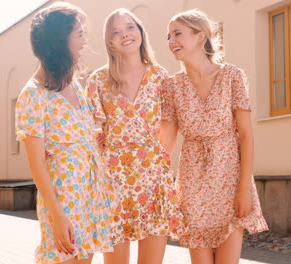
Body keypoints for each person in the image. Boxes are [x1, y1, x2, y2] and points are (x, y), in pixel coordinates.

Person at [161, 9, 269, 264]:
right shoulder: (171, 85)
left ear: (200, 37)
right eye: (168, 36)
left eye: (177, 34)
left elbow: (246, 135)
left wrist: (244, 188)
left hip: (229, 175)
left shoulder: (233, 75)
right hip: (192, 180)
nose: (171, 42)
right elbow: (166, 140)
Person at [15, 3, 113, 263]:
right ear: (59, 42)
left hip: (90, 194)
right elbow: (36, 164)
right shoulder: (33, 95)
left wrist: (94, 137)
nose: (84, 43)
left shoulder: (73, 84)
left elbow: (71, 133)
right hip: (64, 198)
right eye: (79, 35)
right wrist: (58, 215)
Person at [85, 8, 185, 264]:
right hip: (113, 181)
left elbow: (170, 125)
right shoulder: (98, 80)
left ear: (140, 31)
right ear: (109, 41)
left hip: (153, 177)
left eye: (130, 27)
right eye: (116, 31)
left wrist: (161, 161)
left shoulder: (160, 76)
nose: (124, 35)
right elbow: (91, 132)